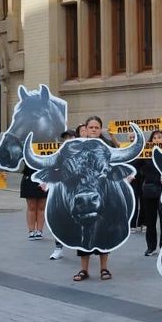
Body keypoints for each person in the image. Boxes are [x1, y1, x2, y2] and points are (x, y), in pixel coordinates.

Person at [73, 116, 115, 281]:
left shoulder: (109, 147)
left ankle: (104, 268)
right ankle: (84, 270)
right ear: (86, 128)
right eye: (91, 127)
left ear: (100, 129)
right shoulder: (77, 147)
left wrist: (126, 177)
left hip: (103, 194)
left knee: (104, 232)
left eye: (97, 127)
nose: (94, 130)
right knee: (82, 233)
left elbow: (116, 167)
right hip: (82, 194)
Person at [136, 130, 162, 256]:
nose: (156, 140)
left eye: (159, 137)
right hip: (149, 191)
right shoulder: (146, 153)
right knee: (150, 221)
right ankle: (151, 247)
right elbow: (136, 165)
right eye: (154, 138)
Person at [47, 130, 77, 259]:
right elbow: (51, 170)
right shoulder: (58, 154)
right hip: (61, 191)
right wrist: (46, 182)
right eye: (65, 138)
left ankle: (82, 247)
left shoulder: (83, 153)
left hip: (79, 192)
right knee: (58, 219)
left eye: (70, 137)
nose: (68, 139)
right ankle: (58, 248)